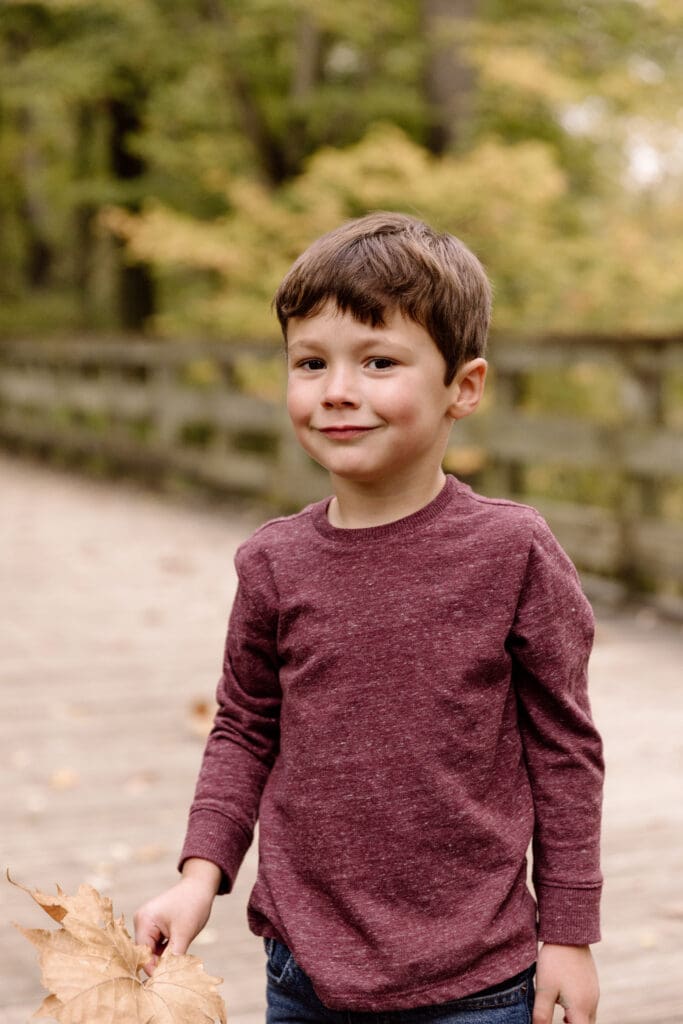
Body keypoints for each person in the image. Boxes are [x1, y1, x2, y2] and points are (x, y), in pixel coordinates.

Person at [134, 212, 604, 1024]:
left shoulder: (512, 550)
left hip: (476, 976)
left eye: (378, 362)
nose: (337, 390)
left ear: (464, 387)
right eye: (310, 362)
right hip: (303, 969)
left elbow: (563, 750)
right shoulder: (273, 563)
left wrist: (567, 930)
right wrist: (199, 874)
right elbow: (244, 728)